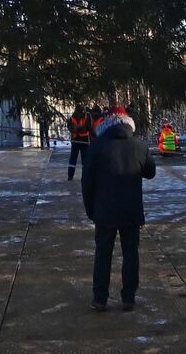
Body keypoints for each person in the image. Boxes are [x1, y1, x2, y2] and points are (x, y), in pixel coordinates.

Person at [81, 107, 154, 311]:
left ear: (105, 123)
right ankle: (128, 297)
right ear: (128, 123)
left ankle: (100, 298)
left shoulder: (96, 147)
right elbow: (150, 172)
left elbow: (86, 182)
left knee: (103, 253)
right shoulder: (139, 146)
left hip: (104, 211)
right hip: (131, 210)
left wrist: (90, 209)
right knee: (131, 253)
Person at [65, 105, 94, 181]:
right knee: (83, 160)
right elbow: (89, 127)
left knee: (74, 159)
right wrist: (79, 129)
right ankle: (84, 176)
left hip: (78, 139)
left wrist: (77, 129)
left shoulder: (75, 116)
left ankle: (70, 176)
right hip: (82, 139)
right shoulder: (85, 116)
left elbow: (70, 127)